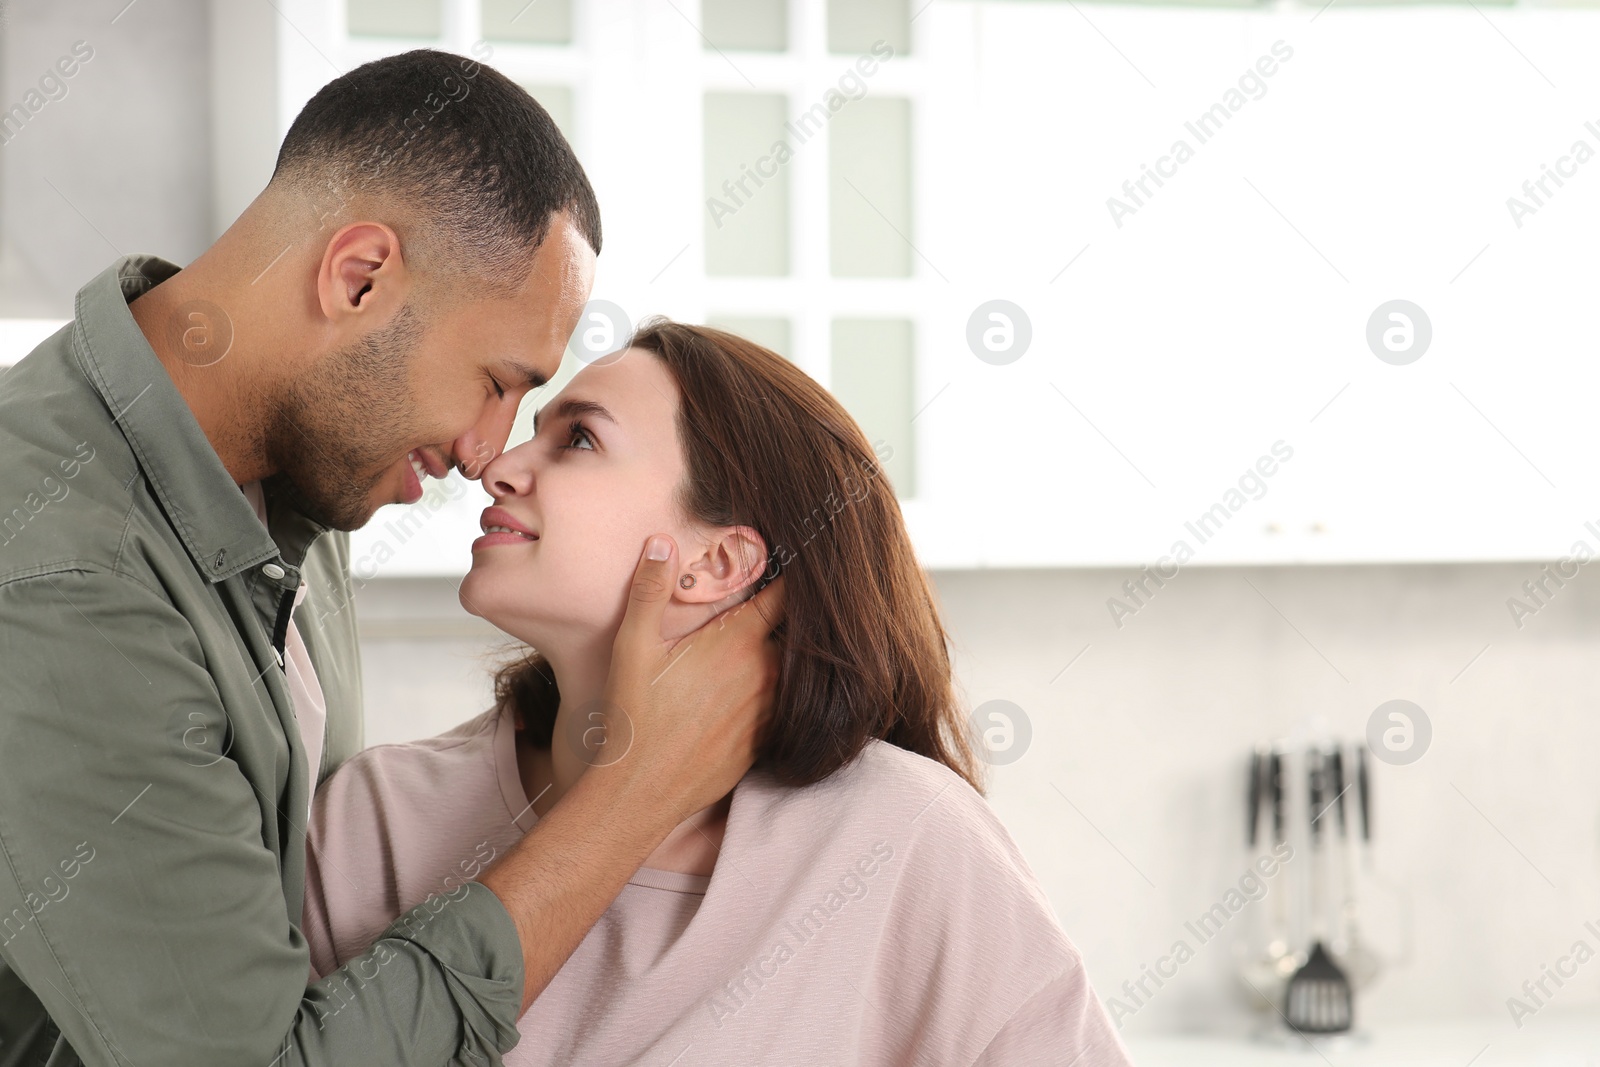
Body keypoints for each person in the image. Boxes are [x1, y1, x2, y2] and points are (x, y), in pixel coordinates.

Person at [0, 52, 781, 1066]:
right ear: (359, 276)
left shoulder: (292, 495)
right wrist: (637, 790)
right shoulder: (59, 573)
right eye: (497, 380)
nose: (486, 451)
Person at [302, 321, 1135, 1065]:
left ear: (715, 565)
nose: (498, 465)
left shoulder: (908, 837)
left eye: (579, 439)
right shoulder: (375, 818)